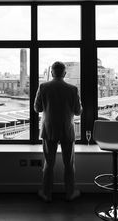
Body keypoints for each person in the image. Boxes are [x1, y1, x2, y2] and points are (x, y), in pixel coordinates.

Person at [34, 61, 82, 202]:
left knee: (49, 163)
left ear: (52, 72)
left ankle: (47, 194)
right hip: (67, 128)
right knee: (69, 164)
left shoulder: (43, 87)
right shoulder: (73, 89)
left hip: (49, 129)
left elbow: (37, 109)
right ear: (64, 73)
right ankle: (70, 193)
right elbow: (78, 111)